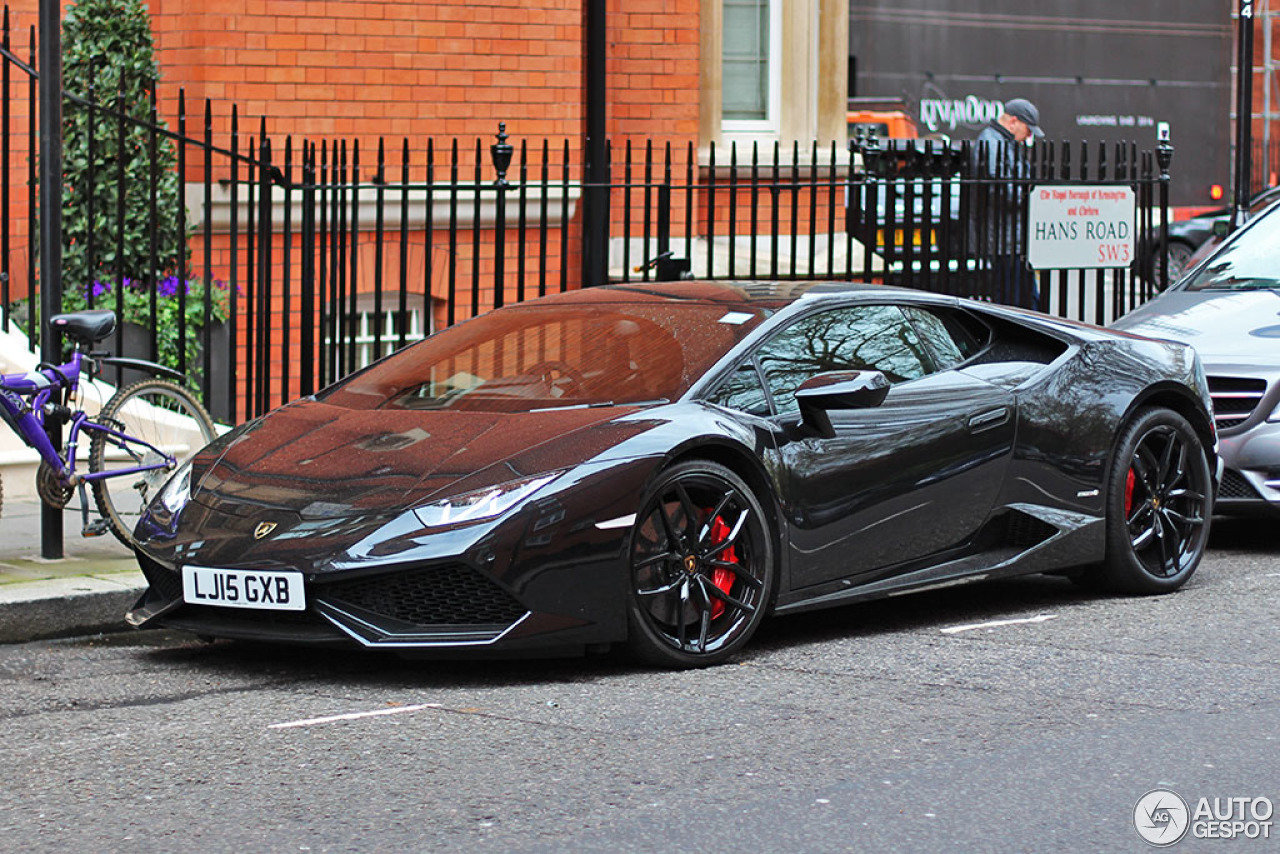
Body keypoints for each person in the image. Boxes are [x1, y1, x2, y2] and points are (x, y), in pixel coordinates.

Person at [973, 98, 1044, 308]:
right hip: (1003, 240)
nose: (1029, 136)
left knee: (1026, 299)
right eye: (1028, 130)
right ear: (1013, 122)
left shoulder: (1003, 143)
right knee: (1012, 301)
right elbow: (1003, 189)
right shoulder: (992, 143)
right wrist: (1030, 199)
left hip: (1011, 239)